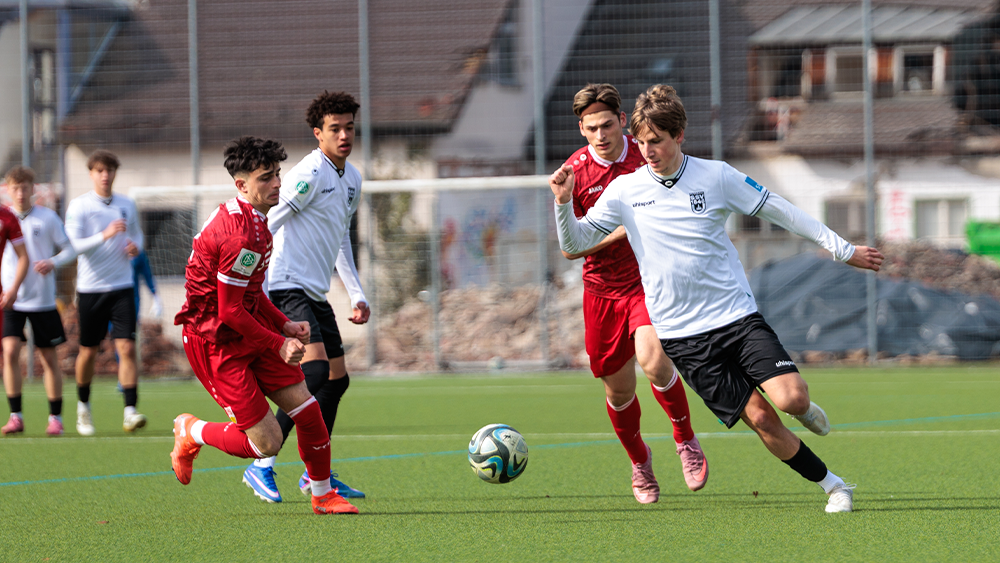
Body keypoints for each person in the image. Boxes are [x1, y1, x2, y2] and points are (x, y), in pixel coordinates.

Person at [550, 84, 885, 513]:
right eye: (644, 142)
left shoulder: (716, 176)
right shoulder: (626, 190)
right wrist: (563, 204)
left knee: (792, 400)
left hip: (736, 319)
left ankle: (803, 411)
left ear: (680, 135)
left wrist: (843, 249)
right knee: (762, 418)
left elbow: (780, 210)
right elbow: (575, 241)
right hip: (684, 339)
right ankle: (835, 486)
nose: (648, 150)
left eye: (657, 141)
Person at [170, 136, 358, 515]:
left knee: (308, 410)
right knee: (266, 444)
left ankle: (322, 495)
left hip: (244, 326)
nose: (277, 184)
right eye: (265, 178)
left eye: (277, 175)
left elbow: (250, 298)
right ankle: (191, 430)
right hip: (215, 343)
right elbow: (229, 312)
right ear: (241, 186)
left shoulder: (256, 221)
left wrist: (284, 323)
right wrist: (278, 343)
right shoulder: (240, 235)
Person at [557, 83, 707, 503]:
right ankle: (640, 463)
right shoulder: (573, 173)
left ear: (622, 121)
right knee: (618, 392)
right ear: (582, 130)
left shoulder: (646, 156)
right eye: (591, 128)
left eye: (607, 124)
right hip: (601, 292)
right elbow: (571, 248)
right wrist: (615, 229)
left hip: (646, 282)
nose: (601, 135)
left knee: (655, 360)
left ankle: (685, 439)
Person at [242, 91, 369, 503]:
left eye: (349, 126)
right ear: (318, 134)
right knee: (312, 376)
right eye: (335, 128)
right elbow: (268, 218)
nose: (344, 134)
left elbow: (340, 239)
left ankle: (318, 473)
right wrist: (251, 279)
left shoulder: (352, 178)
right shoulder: (309, 173)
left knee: (337, 380)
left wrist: (356, 292)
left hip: (314, 291)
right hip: (286, 285)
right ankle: (261, 464)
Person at [65, 150, 146, 435]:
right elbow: (73, 246)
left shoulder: (126, 204)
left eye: (110, 170)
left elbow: (137, 235)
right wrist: (106, 235)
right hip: (91, 290)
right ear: (91, 174)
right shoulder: (80, 206)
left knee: (126, 347)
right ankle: (83, 409)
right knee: (88, 351)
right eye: (99, 170)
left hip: (122, 288)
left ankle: (130, 410)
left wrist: (135, 247)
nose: (105, 175)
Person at [1, 166, 76, 436]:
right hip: (11, 300)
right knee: (9, 352)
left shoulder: (47, 218)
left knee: (48, 358)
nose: (20, 193)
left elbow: (70, 249)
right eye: (15, 188)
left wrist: (52, 262)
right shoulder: (4, 218)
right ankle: (15, 416)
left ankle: (55, 418)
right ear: (8, 190)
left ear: (33, 190)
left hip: (43, 300)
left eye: (25, 188)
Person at [0, 167, 32, 435]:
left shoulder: (6, 217)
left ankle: (16, 415)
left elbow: (23, 256)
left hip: (6, 300)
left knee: (8, 352)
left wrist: (12, 289)